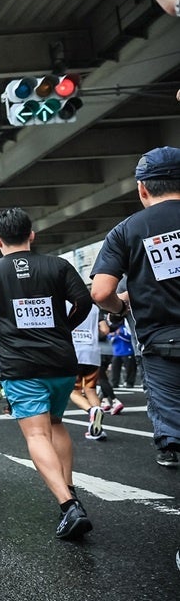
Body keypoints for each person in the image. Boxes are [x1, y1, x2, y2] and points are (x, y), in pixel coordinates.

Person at [0, 208, 94, 540]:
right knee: (56, 423)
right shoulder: (58, 265)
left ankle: (68, 505)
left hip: (21, 366)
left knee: (37, 435)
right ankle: (69, 490)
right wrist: (63, 327)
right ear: (31, 234)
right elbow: (84, 302)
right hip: (61, 362)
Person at [91, 147, 180, 470]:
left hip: (161, 343)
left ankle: (170, 446)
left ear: (142, 188)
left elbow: (101, 292)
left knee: (173, 426)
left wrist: (120, 307)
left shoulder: (127, 230)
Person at [68, 304, 106, 441]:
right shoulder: (94, 308)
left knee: (74, 391)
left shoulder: (64, 305)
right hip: (93, 353)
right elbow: (105, 330)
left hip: (74, 353)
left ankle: (92, 410)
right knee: (91, 390)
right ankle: (97, 427)